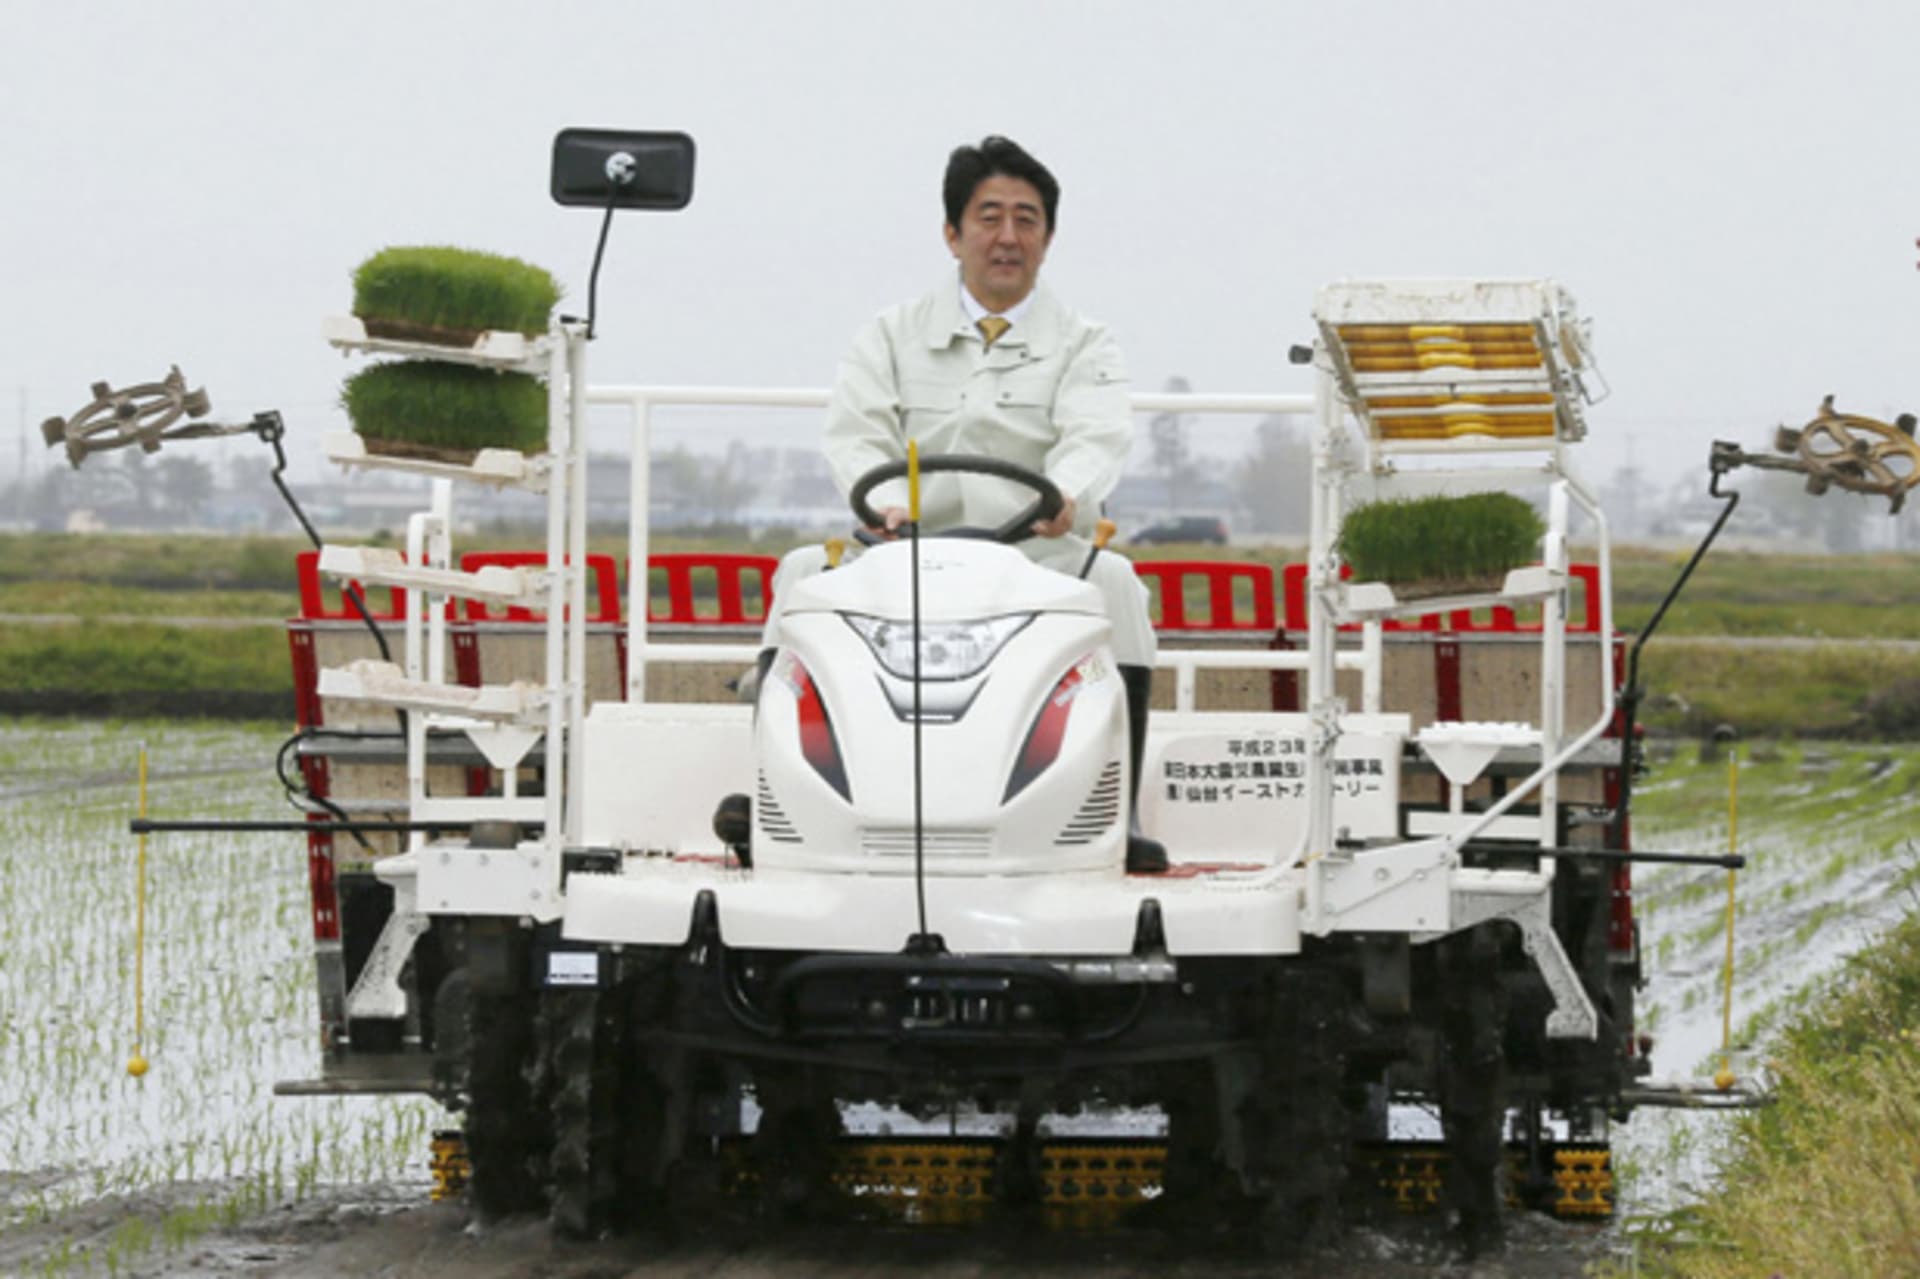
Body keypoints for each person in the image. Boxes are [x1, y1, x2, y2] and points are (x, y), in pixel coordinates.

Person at [766, 134, 1165, 873]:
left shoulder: (1087, 343)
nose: (1007, 237)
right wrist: (885, 505)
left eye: (1027, 219)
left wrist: (1067, 493)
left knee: (1117, 585)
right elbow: (858, 433)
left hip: (1034, 552)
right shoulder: (888, 335)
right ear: (952, 233)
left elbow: (1097, 433)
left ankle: (1122, 812)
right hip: (901, 547)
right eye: (988, 217)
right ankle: (767, 800)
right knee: (799, 574)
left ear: (1048, 238)